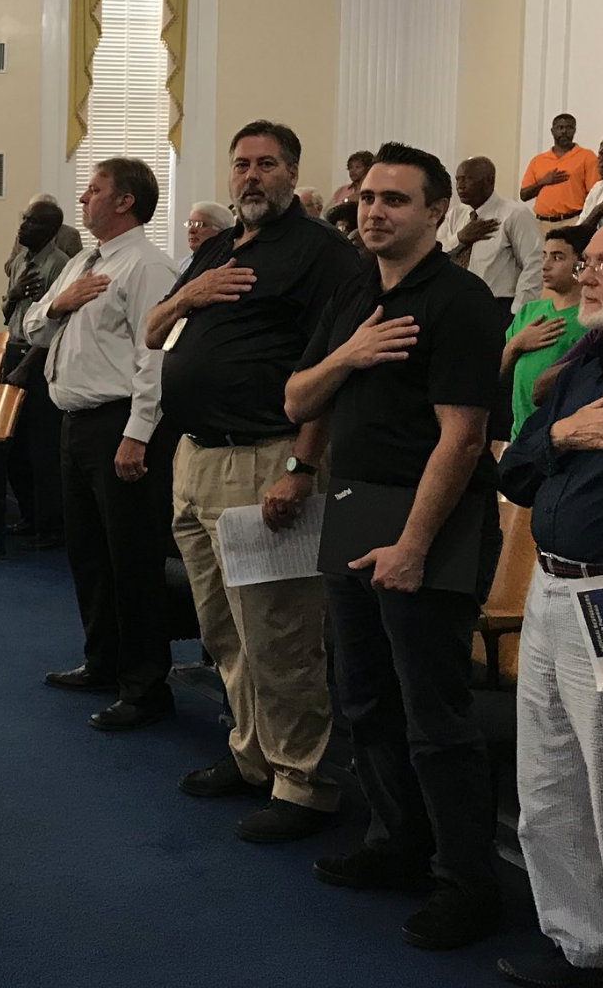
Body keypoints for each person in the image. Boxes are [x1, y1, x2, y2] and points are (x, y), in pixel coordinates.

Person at [285, 142, 505, 952]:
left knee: (434, 715)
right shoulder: (353, 291)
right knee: (365, 697)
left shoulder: (461, 300)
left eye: (397, 200)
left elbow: (464, 437)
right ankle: (396, 843)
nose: (374, 211)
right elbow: (297, 397)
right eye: (369, 197)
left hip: (432, 524)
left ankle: (465, 882)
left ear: (437, 212)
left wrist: (413, 544)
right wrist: (348, 354)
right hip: (353, 508)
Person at [145, 120, 363, 844]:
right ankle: (253, 757)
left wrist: (302, 467)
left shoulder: (321, 253)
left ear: (292, 172)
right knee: (222, 631)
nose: (251, 176)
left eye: (267, 164)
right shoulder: (216, 248)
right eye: (241, 164)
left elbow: (334, 374)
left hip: (266, 460)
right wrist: (191, 294)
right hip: (195, 460)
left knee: (279, 631)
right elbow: (152, 330)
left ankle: (304, 781)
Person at [496, 217, 603, 988]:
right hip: (550, 589)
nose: (587, 276)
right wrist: (565, 436)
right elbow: (515, 471)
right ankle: (580, 947)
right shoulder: (586, 363)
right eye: (589, 261)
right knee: (548, 788)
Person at [25, 158, 179, 731]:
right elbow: (32, 327)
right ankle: (103, 662)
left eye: (94, 190)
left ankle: (145, 686)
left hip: (119, 425)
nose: (83, 199)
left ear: (125, 202)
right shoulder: (82, 263)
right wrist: (59, 303)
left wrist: (137, 434)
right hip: (75, 422)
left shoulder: (148, 266)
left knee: (131, 558)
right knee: (88, 553)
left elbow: (154, 358)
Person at [2, 200, 70, 546]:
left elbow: (56, 327)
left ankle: (51, 524)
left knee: (41, 446)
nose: (23, 226)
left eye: (32, 222)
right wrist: (13, 295)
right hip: (13, 349)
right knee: (13, 445)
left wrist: (24, 368)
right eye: (24, 219)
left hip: (37, 358)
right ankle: (28, 515)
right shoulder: (18, 262)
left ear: (50, 229)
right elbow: (6, 314)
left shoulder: (60, 265)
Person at [501, 226, 589, 440]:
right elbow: (496, 375)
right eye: (544, 256)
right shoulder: (528, 312)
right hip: (520, 437)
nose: (545, 265)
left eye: (557, 257)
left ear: (581, 265)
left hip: (563, 438)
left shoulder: (591, 320)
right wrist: (516, 344)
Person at [439, 156, 544, 314]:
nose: (460, 186)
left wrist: (519, 311)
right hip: (455, 303)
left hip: (498, 304)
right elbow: (436, 255)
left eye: (468, 179)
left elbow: (534, 263)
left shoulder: (514, 214)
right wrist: (460, 238)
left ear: (488, 181)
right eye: (458, 179)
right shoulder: (455, 214)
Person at [523, 113, 599, 236]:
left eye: (569, 127)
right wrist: (543, 181)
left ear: (574, 130)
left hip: (572, 221)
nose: (564, 131)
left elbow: (594, 194)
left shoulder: (587, 156)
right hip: (542, 224)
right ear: (552, 131)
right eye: (560, 127)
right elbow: (524, 195)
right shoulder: (538, 160)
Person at [181, 202, 233, 279]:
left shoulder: (227, 265)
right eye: (190, 223)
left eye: (200, 224)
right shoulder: (182, 265)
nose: (191, 230)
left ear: (221, 231)